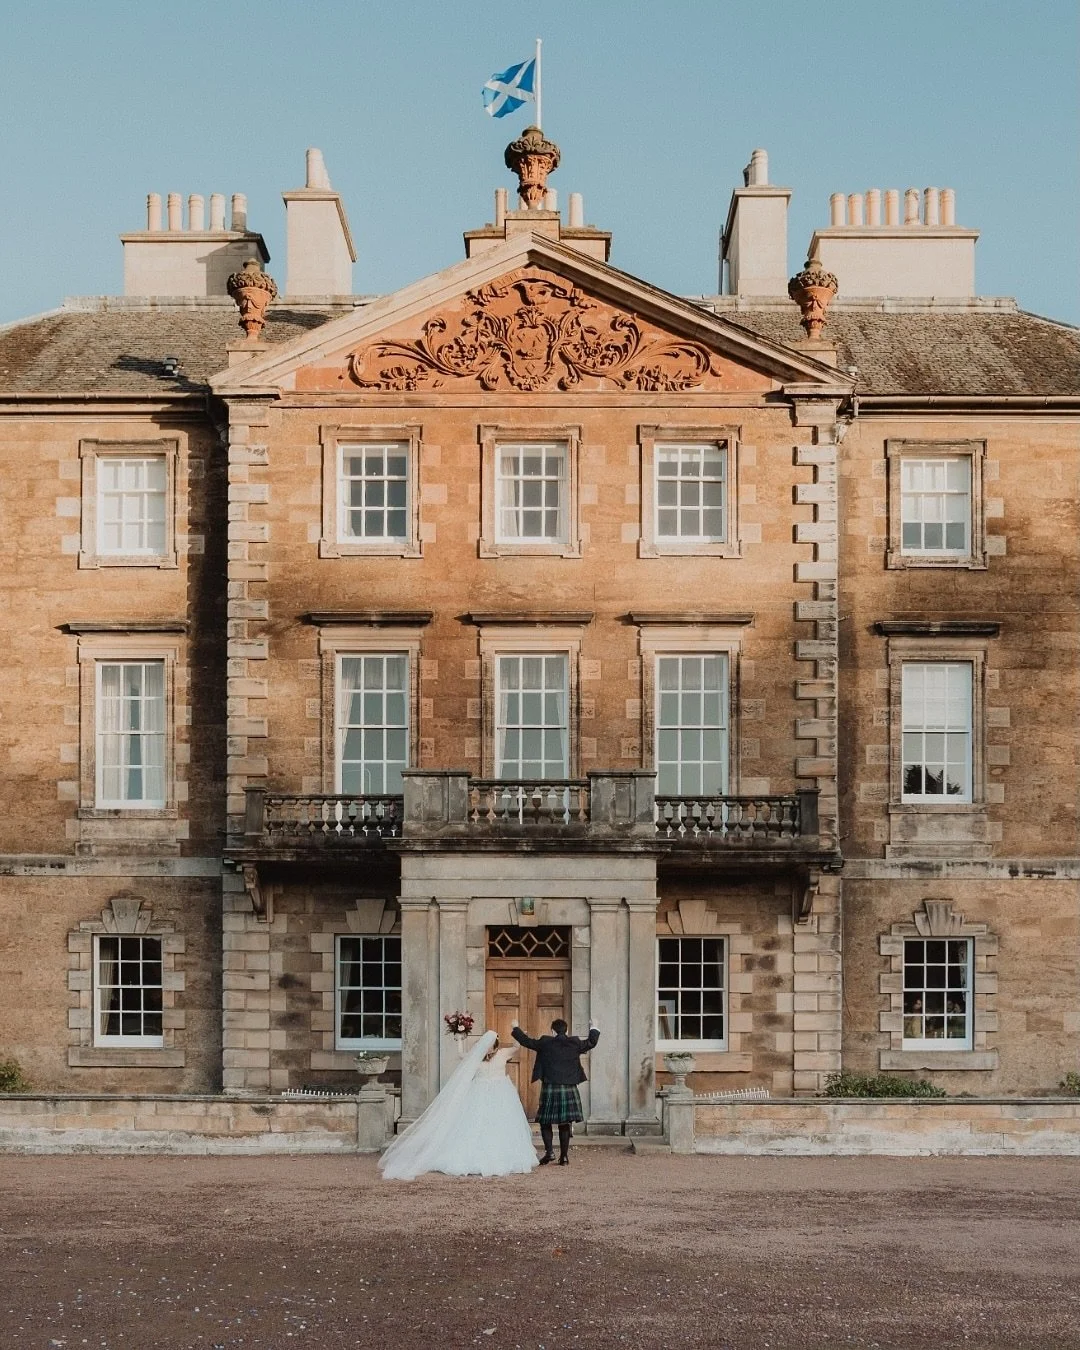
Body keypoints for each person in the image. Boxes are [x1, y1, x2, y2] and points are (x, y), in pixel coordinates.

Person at [378, 1030, 538, 1180]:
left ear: (496, 1046)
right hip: (480, 1093)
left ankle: (502, 1155)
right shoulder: (476, 1057)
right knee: (476, 1124)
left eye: (491, 1046)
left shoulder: (502, 1053)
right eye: (486, 1045)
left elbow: (517, 1047)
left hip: (500, 1093)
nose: (488, 1048)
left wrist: (516, 1030)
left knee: (500, 1124)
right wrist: (460, 1039)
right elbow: (462, 1055)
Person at [511, 1016, 599, 1165]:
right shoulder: (574, 1042)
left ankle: (550, 1152)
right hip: (569, 1087)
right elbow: (591, 1042)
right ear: (567, 1031)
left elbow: (527, 1041)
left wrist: (515, 1027)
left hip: (550, 1087)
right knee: (565, 1123)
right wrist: (594, 1026)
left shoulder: (545, 1042)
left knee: (545, 1122)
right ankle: (564, 1157)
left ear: (552, 1031)